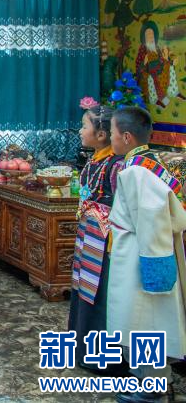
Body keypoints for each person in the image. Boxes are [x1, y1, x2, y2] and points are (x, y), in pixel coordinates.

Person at [107, 106, 186, 403]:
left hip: (142, 257)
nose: (111, 139)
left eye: (112, 133)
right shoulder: (149, 163)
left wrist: (155, 269)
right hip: (140, 249)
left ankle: (152, 389)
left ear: (126, 137)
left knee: (144, 320)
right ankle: (153, 382)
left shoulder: (136, 172)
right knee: (145, 320)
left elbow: (152, 219)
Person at [67, 103, 124, 373]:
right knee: (83, 289)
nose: (80, 131)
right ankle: (82, 350)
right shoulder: (95, 160)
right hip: (88, 236)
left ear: (101, 135)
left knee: (100, 295)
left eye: (84, 126)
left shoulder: (116, 165)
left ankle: (103, 358)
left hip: (104, 242)